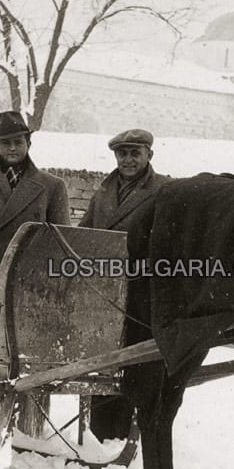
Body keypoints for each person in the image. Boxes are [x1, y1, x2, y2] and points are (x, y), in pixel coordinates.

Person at [80, 128, 168, 441]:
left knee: (137, 361)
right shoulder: (104, 191)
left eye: (135, 153)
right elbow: (84, 233)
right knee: (102, 360)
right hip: (103, 293)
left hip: (142, 293)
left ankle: (132, 433)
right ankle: (100, 435)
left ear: (149, 155)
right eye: (122, 153)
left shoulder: (164, 190)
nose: (128, 160)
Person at [0, 111, 70, 267]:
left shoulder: (52, 186)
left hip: (30, 270)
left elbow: (61, 241)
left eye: (18, 142)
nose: (12, 148)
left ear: (28, 144)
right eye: (6, 143)